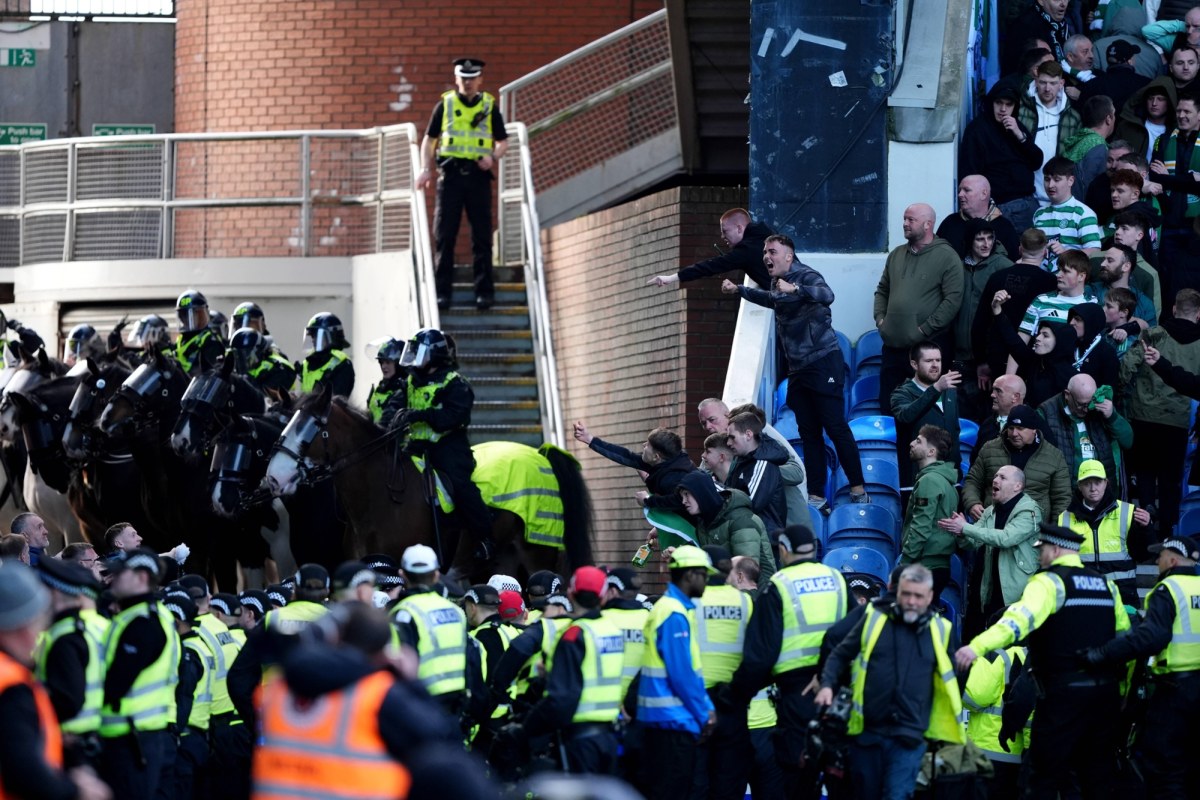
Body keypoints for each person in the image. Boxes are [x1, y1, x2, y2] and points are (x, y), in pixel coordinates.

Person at [956, 525, 1131, 800]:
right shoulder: (1105, 584)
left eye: (1041, 550)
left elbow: (1016, 623)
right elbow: (1125, 640)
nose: (1039, 556)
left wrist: (976, 646)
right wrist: (1122, 690)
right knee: (1094, 777)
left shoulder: (1049, 582)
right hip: (1104, 696)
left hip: (1062, 694)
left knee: (1043, 778)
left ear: (1056, 549)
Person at [252, 602, 482, 799]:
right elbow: (441, 741)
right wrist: (411, 683)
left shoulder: (278, 688)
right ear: (382, 652)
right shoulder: (378, 695)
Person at [722, 234, 868, 503]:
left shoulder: (806, 275)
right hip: (799, 368)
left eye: (773, 251)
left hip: (823, 361)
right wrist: (739, 290)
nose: (767, 256)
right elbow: (770, 299)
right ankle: (815, 495)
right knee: (808, 432)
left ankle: (858, 488)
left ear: (789, 256)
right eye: (765, 251)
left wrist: (797, 290)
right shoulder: (776, 283)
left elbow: (828, 295)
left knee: (835, 427)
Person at [816, 564, 964, 800]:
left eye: (918, 596)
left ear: (929, 597)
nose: (912, 601)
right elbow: (840, 653)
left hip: (910, 736)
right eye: (906, 594)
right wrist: (826, 684)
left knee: (897, 795)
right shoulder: (873, 618)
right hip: (867, 733)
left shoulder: (941, 630)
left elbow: (953, 677)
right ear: (897, 591)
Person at [729, 526, 848, 800]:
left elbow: (760, 655)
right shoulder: (837, 579)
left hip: (797, 696)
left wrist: (734, 697)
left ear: (783, 550)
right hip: (835, 692)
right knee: (838, 777)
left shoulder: (778, 586)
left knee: (796, 778)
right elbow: (855, 634)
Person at [1083, 534, 1200, 798]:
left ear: (1171, 559)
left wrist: (1103, 653)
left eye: (1160, 556)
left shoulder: (1168, 589)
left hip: (1175, 693)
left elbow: (1152, 637)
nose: (1157, 561)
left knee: (1166, 770)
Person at [0, 562, 112, 800]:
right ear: (20, 626)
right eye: (38, 620)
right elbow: (21, 770)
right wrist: (76, 790)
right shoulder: (10, 685)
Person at [498, 566, 625, 776]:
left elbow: (561, 699)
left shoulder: (575, 634)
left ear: (571, 595)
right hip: (609, 737)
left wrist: (525, 729)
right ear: (603, 596)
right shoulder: (611, 630)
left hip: (578, 741)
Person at [388, 327, 495, 558]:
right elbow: (394, 406)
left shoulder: (455, 383)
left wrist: (419, 415)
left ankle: (484, 538)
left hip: (447, 449)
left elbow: (454, 417)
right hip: (416, 446)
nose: (415, 358)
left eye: (420, 352)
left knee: (461, 486)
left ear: (433, 355)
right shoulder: (410, 381)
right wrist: (390, 418)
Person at [416, 57, 508, 311]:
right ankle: (442, 293)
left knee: (482, 237)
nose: (468, 83)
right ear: (457, 79)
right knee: (444, 235)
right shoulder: (444, 105)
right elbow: (429, 140)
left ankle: (484, 293)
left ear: (480, 80)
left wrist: (493, 156)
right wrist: (426, 169)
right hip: (451, 177)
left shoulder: (490, 106)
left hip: (478, 178)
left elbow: (502, 142)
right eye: (463, 78)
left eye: (472, 78)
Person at [636, 546, 717, 800]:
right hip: (672, 721)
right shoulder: (673, 613)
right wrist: (705, 712)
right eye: (704, 574)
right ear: (690, 575)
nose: (707, 580)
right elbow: (682, 674)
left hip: (667, 720)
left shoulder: (672, 609)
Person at [99, 548, 181, 800]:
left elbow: (114, 683)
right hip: (136, 735)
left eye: (121, 574)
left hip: (133, 739)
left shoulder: (143, 622)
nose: (114, 579)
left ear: (142, 578)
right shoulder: (138, 615)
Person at [1120, 288, 1200, 540]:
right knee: (1170, 482)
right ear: (1198, 315)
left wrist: (1123, 395)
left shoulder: (1153, 335)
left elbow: (1126, 366)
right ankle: (1168, 536)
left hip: (1143, 415)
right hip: (1177, 420)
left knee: (1143, 477)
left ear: (1174, 309)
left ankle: (1145, 536)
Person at [873, 203, 964, 412]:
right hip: (893, 347)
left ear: (927, 224)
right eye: (904, 219)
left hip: (928, 349)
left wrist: (924, 329)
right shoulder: (896, 254)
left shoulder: (947, 256)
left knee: (927, 410)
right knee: (889, 406)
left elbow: (953, 300)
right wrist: (880, 320)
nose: (904, 223)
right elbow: (882, 290)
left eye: (910, 220)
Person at [940, 465, 1043, 620]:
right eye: (995, 476)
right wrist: (960, 532)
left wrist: (965, 527)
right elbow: (972, 543)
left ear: (1017, 486)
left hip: (1018, 586)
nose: (995, 480)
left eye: (1002, 477)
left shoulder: (1030, 511)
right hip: (991, 584)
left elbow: (1006, 538)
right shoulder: (990, 511)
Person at [33, 556, 108, 746]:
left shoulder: (65, 637)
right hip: (95, 736)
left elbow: (67, 701)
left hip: (70, 739)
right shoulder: (83, 628)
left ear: (55, 594)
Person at [390, 545, 469, 715]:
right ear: (436, 575)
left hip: (421, 705)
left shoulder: (403, 613)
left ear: (402, 574)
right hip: (456, 706)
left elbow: (400, 665)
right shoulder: (456, 611)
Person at [958, 84, 1045, 232]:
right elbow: (970, 173)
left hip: (1028, 202)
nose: (1003, 109)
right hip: (1001, 206)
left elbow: (1037, 161)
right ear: (991, 103)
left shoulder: (1016, 126)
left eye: (1008, 104)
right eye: (999, 103)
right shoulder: (977, 130)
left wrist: (1020, 136)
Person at [962, 405, 1073, 522]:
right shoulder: (990, 448)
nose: (1014, 433)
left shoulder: (1054, 455)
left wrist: (1055, 533)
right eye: (1011, 428)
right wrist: (972, 503)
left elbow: (1062, 498)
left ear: (1033, 430)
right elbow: (972, 481)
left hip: (1034, 529)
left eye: (1020, 428)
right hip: (992, 527)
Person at [1058, 460, 1145, 607]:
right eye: (1087, 483)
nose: (1093, 488)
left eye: (1097, 482)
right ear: (1079, 486)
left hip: (1123, 594)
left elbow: (1143, 554)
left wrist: (1146, 528)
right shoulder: (1064, 518)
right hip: (1082, 593)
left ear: (1106, 483)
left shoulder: (1128, 512)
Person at [676, 471, 776, 588]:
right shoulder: (704, 522)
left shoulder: (740, 520)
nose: (683, 501)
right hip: (730, 590)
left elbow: (746, 575)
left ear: (701, 493)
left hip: (760, 593)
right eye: (682, 496)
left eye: (687, 494)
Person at [573, 421, 696, 513]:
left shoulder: (673, 478)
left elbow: (677, 502)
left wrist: (647, 501)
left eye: (648, 445)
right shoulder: (666, 461)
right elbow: (626, 456)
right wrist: (589, 439)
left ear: (656, 457)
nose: (643, 445)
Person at [1038, 372, 1133, 488]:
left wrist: (1112, 416)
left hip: (1100, 489)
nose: (1087, 409)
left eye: (1090, 403)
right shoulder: (1047, 413)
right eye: (1081, 404)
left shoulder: (1100, 409)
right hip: (1066, 490)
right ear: (1067, 395)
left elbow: (1128, 442)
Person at [899, 425, 960, 597]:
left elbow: (920, 528)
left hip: (925, 566)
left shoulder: (929, 481)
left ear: (931, 452)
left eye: (918, 441)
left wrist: (904, 562)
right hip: (937, 566)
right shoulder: (944, 480)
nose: (911, 444)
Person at [890, 341, 960, 487]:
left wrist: (957, 468)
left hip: (950, 475)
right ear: (914, 365)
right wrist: (935, 389)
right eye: (929, 361)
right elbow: (905, 416)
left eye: (938, 360)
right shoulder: (902, 393)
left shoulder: (949, 391)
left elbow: (955, 430)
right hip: (917, 477)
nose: (935, 365)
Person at [1150, 91, 1200, 296]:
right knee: (1167, 275)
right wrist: (1190, 180)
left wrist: (1169, 179)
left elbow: (1164, 178)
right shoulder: (1163, 140)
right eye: (1179, 111)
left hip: (1196, 224)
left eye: (1187, 111)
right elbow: (1155, 177)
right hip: (1169, 221)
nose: (1181, 115)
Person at [647, 207, 773, 289]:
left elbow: (710, 266)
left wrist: (671, 278)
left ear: (739, 228)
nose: (722, 236)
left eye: (725, 231)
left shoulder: (746, 251)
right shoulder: (768, 236)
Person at [162, 593, 212, 800]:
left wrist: (175, 731)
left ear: (175, 621)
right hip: (199, 735)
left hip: (186, 736)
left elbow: (184, 695)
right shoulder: (200, 645)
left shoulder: (188, 652)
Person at [1020, 63, 1083, 206]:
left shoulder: (1073, 117)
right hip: (1026, 195)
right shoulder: (1022, 112)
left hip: (1061, 198)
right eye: (1043, 82)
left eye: (1053, 83)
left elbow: (1075, 159)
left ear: (1061, 83)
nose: (1047, 88)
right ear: (1035, 81)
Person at [1031, 158, 1104, 271]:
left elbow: (1094, 251)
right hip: (1040, 280)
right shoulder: (1039, 213)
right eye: (1047, 179)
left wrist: (1067, 253)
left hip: (1068, 282)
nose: (1050, 185)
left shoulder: (1083, 213)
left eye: (1057, 179)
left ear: (1070, 180)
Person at [725, 411, 790, 531]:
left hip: (765, 540)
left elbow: (751, 504)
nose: (728, 443)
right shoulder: (741, 460)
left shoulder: (763, 463)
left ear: (748, 435)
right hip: (749, 535)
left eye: (732, 437)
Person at [936, 175, 1021, 261]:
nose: (960, 194)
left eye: (966, 190)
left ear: (984, 194)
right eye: (959, 190)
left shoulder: (1004, 227)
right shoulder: (950, 223)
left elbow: (1013, 263)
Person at [1063, 96, 1117, 202]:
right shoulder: (1098, 146)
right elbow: (1091, 188)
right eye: (1114, 114)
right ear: (1108, 119)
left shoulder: (1080, 139)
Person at [227, 326, 295, 402]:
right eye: (237, 356)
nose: (240, 361)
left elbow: (263, 398)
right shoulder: (244, 368)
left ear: (259, 352)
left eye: (244, 356)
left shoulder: (281, 368)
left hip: (281, 410)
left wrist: (241, 379)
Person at [296, 312, 354, 397]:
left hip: (327, 410)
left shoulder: (342, 364)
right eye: (312, 336)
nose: (313, 340)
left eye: (316, 336)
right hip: (306, 408)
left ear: (332, 335)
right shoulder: (307, 363)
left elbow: (337, 399)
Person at [974, 374, 1027, 460]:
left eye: (998, 391)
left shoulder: (1033, 425)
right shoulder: (987, 424)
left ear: (1015, 397)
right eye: (993, 390)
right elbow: (975, 459)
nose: (992, 395)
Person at [174, 289, 225, 377]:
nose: (189, 319)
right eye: (185, 315)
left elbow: (210, 374)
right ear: (181, 317)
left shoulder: (211, 341)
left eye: (199, 314)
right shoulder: (180, 340)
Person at [366, 337, 406, 425]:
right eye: (381, 362)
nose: (383, 366)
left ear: (398, 363)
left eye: (388, 362)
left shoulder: (404, 388)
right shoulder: (380, 387)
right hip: (375, 436)